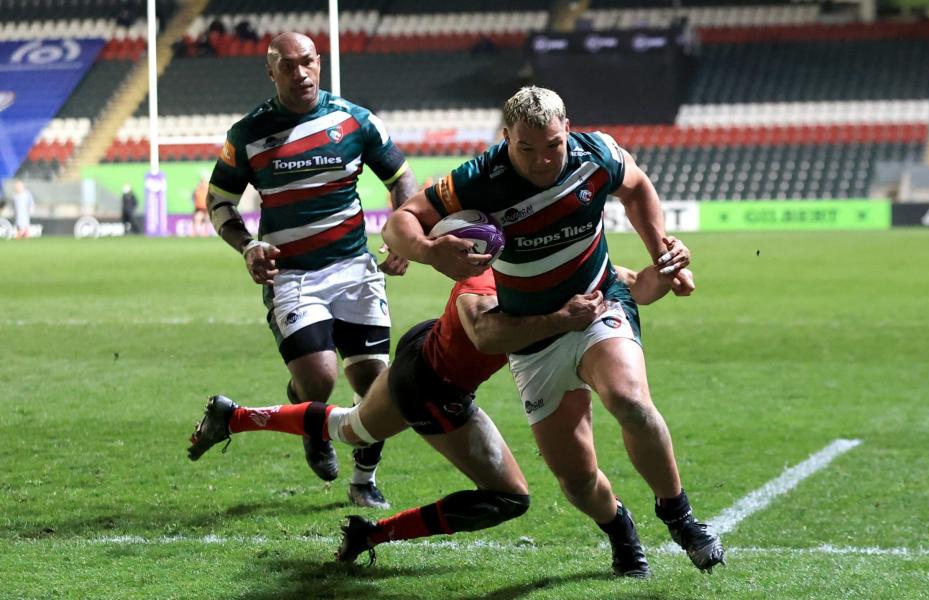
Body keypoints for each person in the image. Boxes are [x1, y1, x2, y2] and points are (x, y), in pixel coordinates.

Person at [381, 86, 725, 574]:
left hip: (598, 301)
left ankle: (679, 515)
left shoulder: (597, 153)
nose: (543, 161)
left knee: (628, 399)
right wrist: (429, 251)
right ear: (506, 139)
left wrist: (660, 254)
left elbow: (638, 187)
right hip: (532, 338)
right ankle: (620, 528)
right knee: (576, 479)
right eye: (527, 149)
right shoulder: (480, 178)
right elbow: (400, 222)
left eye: (552, 146)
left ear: (567, 129)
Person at [188, 260, 691, 576]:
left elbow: (627, 280)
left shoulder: (545, 266)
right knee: (510, 498)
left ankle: (236, 416)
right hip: (434, 389)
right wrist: (562, 320)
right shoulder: (486, 280)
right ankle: (372, 534)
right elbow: (484, 334)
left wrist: (662, 276)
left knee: (349, 426)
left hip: (421, 351)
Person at [203, 31, 418, 509]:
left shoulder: (355, 121)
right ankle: (310, 417)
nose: (299, 73)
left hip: (355, 269)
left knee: (375, 387)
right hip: (292, 275)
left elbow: (402, 178)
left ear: (318, 63)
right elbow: (218, 201)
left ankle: (364, 479)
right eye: (287, 65)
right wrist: (246, 246)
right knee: (319, 379)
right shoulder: (248, 134)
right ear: (270, 71)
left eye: (307, 62)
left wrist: (403, 235)